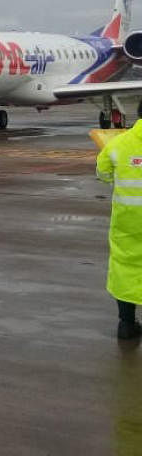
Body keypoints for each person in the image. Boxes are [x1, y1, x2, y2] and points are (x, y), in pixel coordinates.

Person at [96, 100, 142, 339]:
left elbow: (102, 173)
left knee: (125, 267)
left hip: (128, 221)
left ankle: (126, 324)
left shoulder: (118, 143)